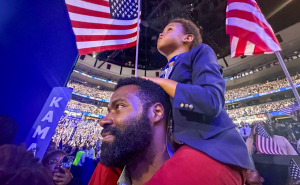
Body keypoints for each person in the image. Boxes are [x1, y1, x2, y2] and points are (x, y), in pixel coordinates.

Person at [143, 17, 254, 176]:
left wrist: (162, 82)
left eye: (169, 29)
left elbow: (211, 100)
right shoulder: (165, 72)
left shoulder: (200, 51)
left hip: (215, 150)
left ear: (187, 38)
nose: (161, 34)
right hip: (178, 149)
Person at [91, 77, 248, 185]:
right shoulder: (107, 176)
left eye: (119, 107)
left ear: (157, 112)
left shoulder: (204, 171)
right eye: (108, 110)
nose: (103, 120)